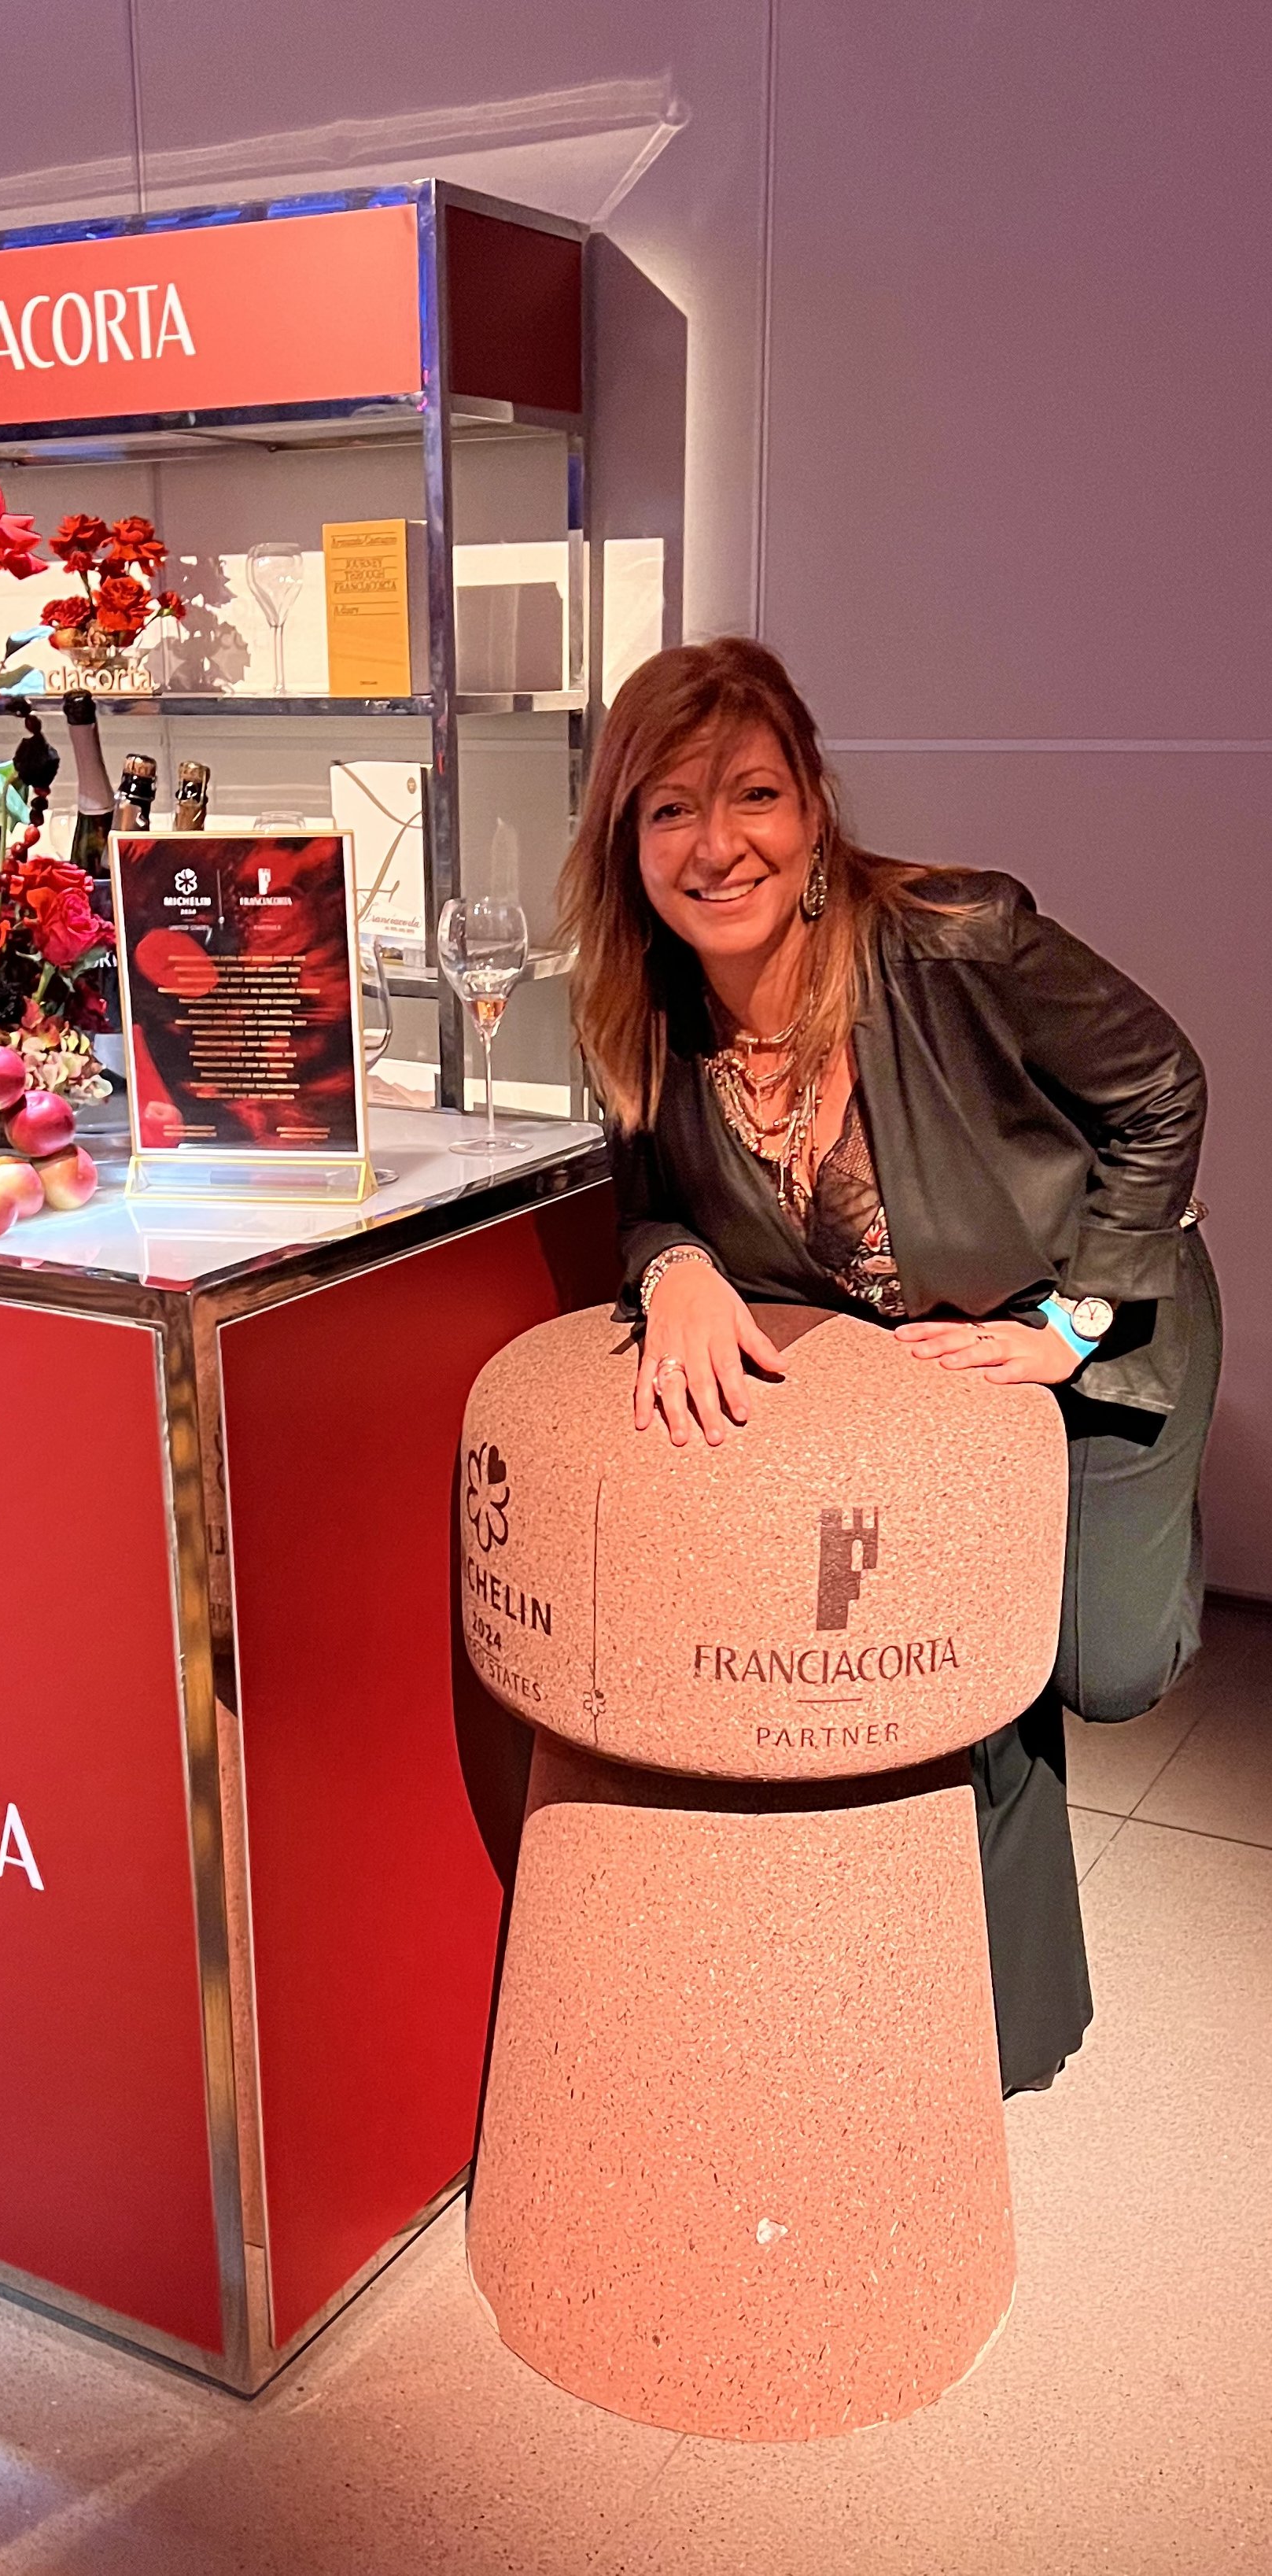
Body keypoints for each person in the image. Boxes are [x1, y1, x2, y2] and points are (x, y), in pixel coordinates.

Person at [559, 638, 1218, 2094]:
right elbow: (646, 1198)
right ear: (625, 835)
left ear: (814, 813)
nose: (716, 843)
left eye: (753, 795)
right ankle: (1000, 2025)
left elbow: (1168, 1085)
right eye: (670, 808)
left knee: (1099, 1666)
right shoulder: (638, 1009)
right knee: (976, 1667)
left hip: (1089, 1317)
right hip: (920, 1373)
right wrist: (667, 1267)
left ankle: (1109, 1545)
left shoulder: (957, 935)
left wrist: (1072, 1326)